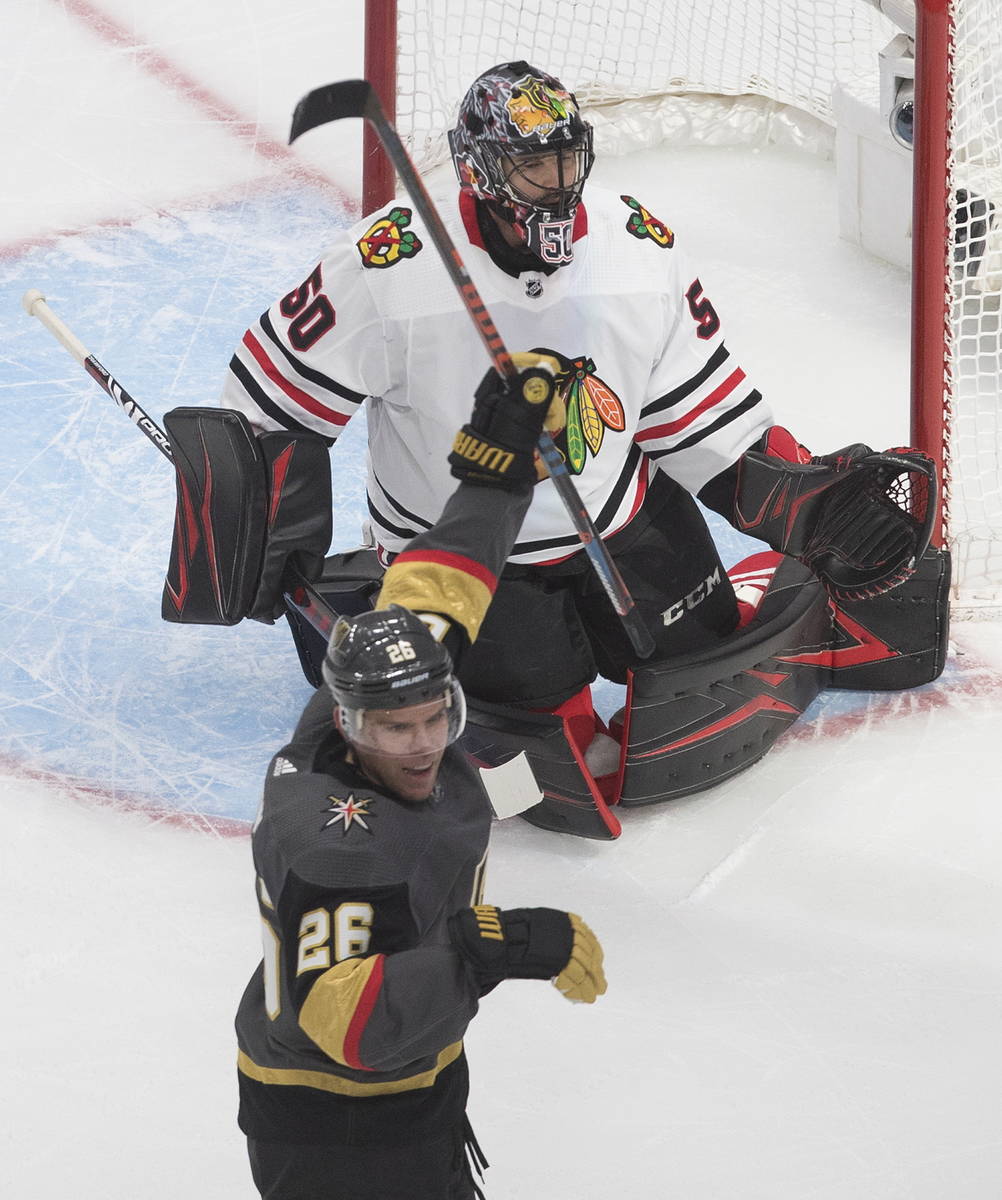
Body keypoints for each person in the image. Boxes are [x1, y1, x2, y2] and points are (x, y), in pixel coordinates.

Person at [220, 61, 933, 798]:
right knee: (560, 740)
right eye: (533, 165)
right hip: (465, 552)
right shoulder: (387, 265)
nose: (558, 180)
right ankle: (391, 606)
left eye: (567, 157)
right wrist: (272, 545)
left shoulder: (636, 247)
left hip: (622, 513)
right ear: (483, 170)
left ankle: (719, 594)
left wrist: (797, 493)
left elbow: (693, 406)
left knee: (712, 650)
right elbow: (272, 401)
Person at [235, 352, 608, 1200]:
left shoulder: (378, 691)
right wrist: (496, 948)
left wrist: (504, 456)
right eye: (394, 729)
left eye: (435, 717)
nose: (421, 744)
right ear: (346, 721)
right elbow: (347, 1022)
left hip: (413, 1079)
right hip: (336, 1120)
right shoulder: (337, 848)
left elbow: (439, 583)